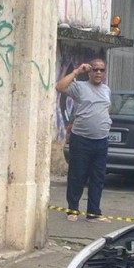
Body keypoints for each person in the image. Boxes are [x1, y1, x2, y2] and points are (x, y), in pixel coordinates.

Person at [55, 57, 111, 221]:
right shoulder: (80, 87)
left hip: (101, 140)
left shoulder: (107, 90)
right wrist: (76, 71)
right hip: (81, 140)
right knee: (77, 176)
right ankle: (72, 210)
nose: (98, 72)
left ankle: (93, 213)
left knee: (98, 178)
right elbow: (60, 86)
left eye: (101, 70)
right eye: (95, 69)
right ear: (89, 71)